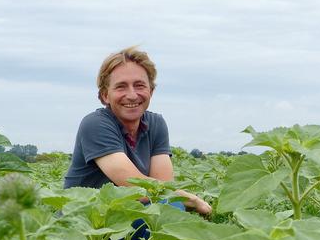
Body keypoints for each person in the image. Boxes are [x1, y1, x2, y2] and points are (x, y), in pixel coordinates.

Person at [63, 46, 212, 216]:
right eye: (121, 87)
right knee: (169, 210)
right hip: (84, 224)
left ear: (151, 91)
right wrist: (193, 200)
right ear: (105, 95)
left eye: (140, 85)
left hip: (126, 217)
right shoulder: (95, 124)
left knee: (170, 209)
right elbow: (135, 188)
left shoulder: (156, 124)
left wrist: (176, 199)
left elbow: (162, 190)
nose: (132, 95)